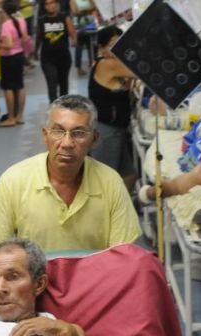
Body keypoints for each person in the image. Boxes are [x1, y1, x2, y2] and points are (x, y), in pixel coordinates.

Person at [0, 94, 141, 252]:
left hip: (96, 283)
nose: (67, 143)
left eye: (79, 133)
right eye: (58, 131)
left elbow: (123, 258)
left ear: (95, 139)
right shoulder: (14, 181)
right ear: (45, 136)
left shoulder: (111, 182)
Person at [88, 25, 137, 192]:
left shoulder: (114, 65)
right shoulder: (107, 64)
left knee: (129, 175)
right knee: (106, 181)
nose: (117, 49)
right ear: (101, 47)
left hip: (117, 128)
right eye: (112, 45)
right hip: (107, 131)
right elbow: (140, 71)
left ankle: (123, 208)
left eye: (120, 44)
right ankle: (104, 215)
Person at [0, 0, 30, 127]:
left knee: (8, 87)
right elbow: (25, 39)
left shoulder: (6, 25)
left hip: (8, 58)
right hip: (19, 55)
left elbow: (8, 45)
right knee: (20, 86)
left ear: (4, 10)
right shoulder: (22, 21)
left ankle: (10, 118)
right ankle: (19, 116)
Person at [35, 0, 77, 102]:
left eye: (52, 2)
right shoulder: (41, 20)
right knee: (52, 84)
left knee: (63, 85)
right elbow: (38, 37)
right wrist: (35, 51)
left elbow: (72, 32)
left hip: (64, 58)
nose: (50, 5)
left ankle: (64, 108)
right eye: (47, 3)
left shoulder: (64, 17)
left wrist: (74, 41)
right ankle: (53, 109)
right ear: (44, 6)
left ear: (57, 4)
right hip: (47, 59)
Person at [70, 0, 99, 76]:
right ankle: (81, 68)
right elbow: (75, 11)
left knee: (91, 46)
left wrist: (83, 11)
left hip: (88, 25)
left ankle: (91, 65)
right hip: (80, 26)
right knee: (81, 47)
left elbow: (94, 8)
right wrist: (88, 10)